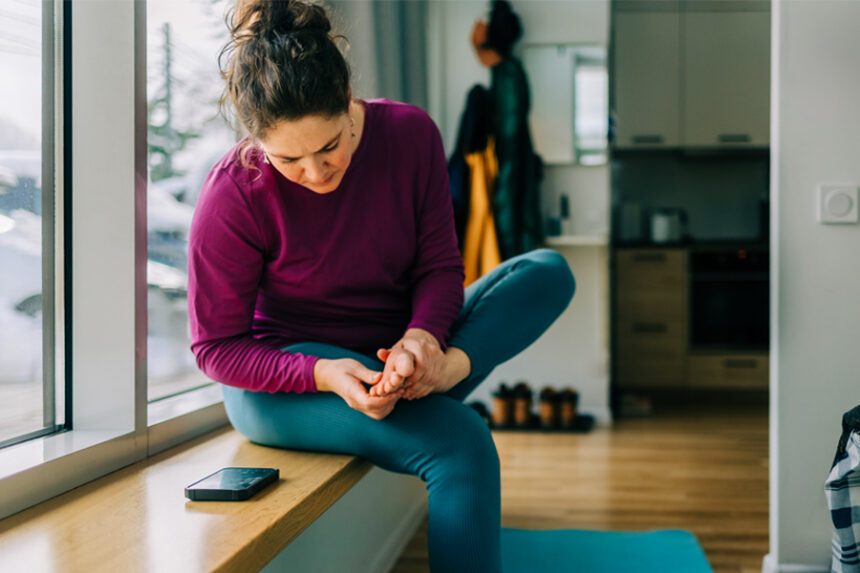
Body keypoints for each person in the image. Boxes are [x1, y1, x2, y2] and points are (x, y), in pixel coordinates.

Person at [188, 1, 575, 571]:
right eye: (289, 159)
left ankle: (446, 371)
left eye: (329, 147)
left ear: (348, 100)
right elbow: (216, 349)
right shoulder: (233, 193)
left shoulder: (409, 134)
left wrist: (423, 339)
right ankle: (429, 376)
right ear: (256, 141)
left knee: (546, 272)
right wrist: (324, 372)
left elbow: (438, 266)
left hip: (400, 355)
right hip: (287, 379)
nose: (315, 173)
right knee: (461, 442)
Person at [471, 0, 544, 261]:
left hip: (512, 186)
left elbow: (510, 144)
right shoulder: (507, 72)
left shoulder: (509, 75)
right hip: (511, 180)